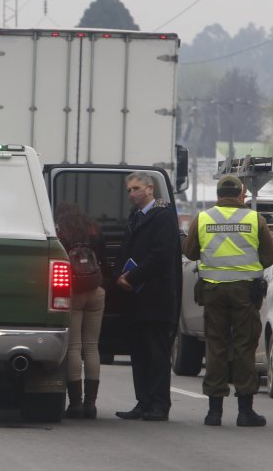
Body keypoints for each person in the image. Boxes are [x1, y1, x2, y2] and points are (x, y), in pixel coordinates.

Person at [183, 174, 273, 427]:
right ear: (239, 195)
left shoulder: (202, 219)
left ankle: (214, 412)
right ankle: (245, 411)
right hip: (245, 292)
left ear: (217, 195)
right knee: (245, 347)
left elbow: (190, 252)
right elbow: (269, 257)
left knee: (216, 347)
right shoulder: (254, 219)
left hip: (213, 291)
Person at [115, 171, 181, 422]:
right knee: (139, 354)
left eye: (136, 189)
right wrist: (118, 276)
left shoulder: (163, 217)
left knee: (157, 355)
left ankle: (159, 405)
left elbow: (161, 256)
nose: (132, 194)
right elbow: (125, 251)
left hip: (155, 297)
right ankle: (143, 402)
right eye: (129, 190)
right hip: (136, 299)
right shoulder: (136, 217)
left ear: (150, 189)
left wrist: (131, 278)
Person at [55, 202, 107, 419]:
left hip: (73, 292)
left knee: (74, 348)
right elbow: (103, 255)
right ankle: (91, 405)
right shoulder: (92, 227)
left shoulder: (61, 230)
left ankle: (75, 404)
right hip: (96, 291)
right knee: (92, 348)